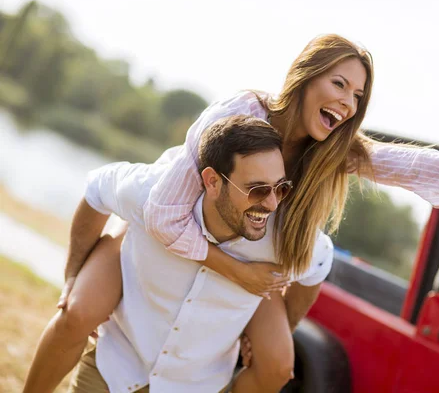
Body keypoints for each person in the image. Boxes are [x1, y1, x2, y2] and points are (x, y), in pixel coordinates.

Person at [24, 33, 439, 393]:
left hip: (250, 247)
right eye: (339, 85)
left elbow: (397, 161)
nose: (348, 103)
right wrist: (236, 271)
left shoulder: (328, 157)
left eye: (358, 96)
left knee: (277, 362)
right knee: (81, 310)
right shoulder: (240, 114)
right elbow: (163, 214)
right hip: (166, 215)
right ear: (307, 77)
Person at [65, 115, 332, 392]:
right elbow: (97, 187)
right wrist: (72, 274)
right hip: (116, 371)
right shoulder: (156, 199)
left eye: (281, 188)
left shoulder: (280, 234)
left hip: (199, 385)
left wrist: (279, 328)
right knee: (71, 316)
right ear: (213, 182)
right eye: (258, 190)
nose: (273, 203)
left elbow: (321, 261)